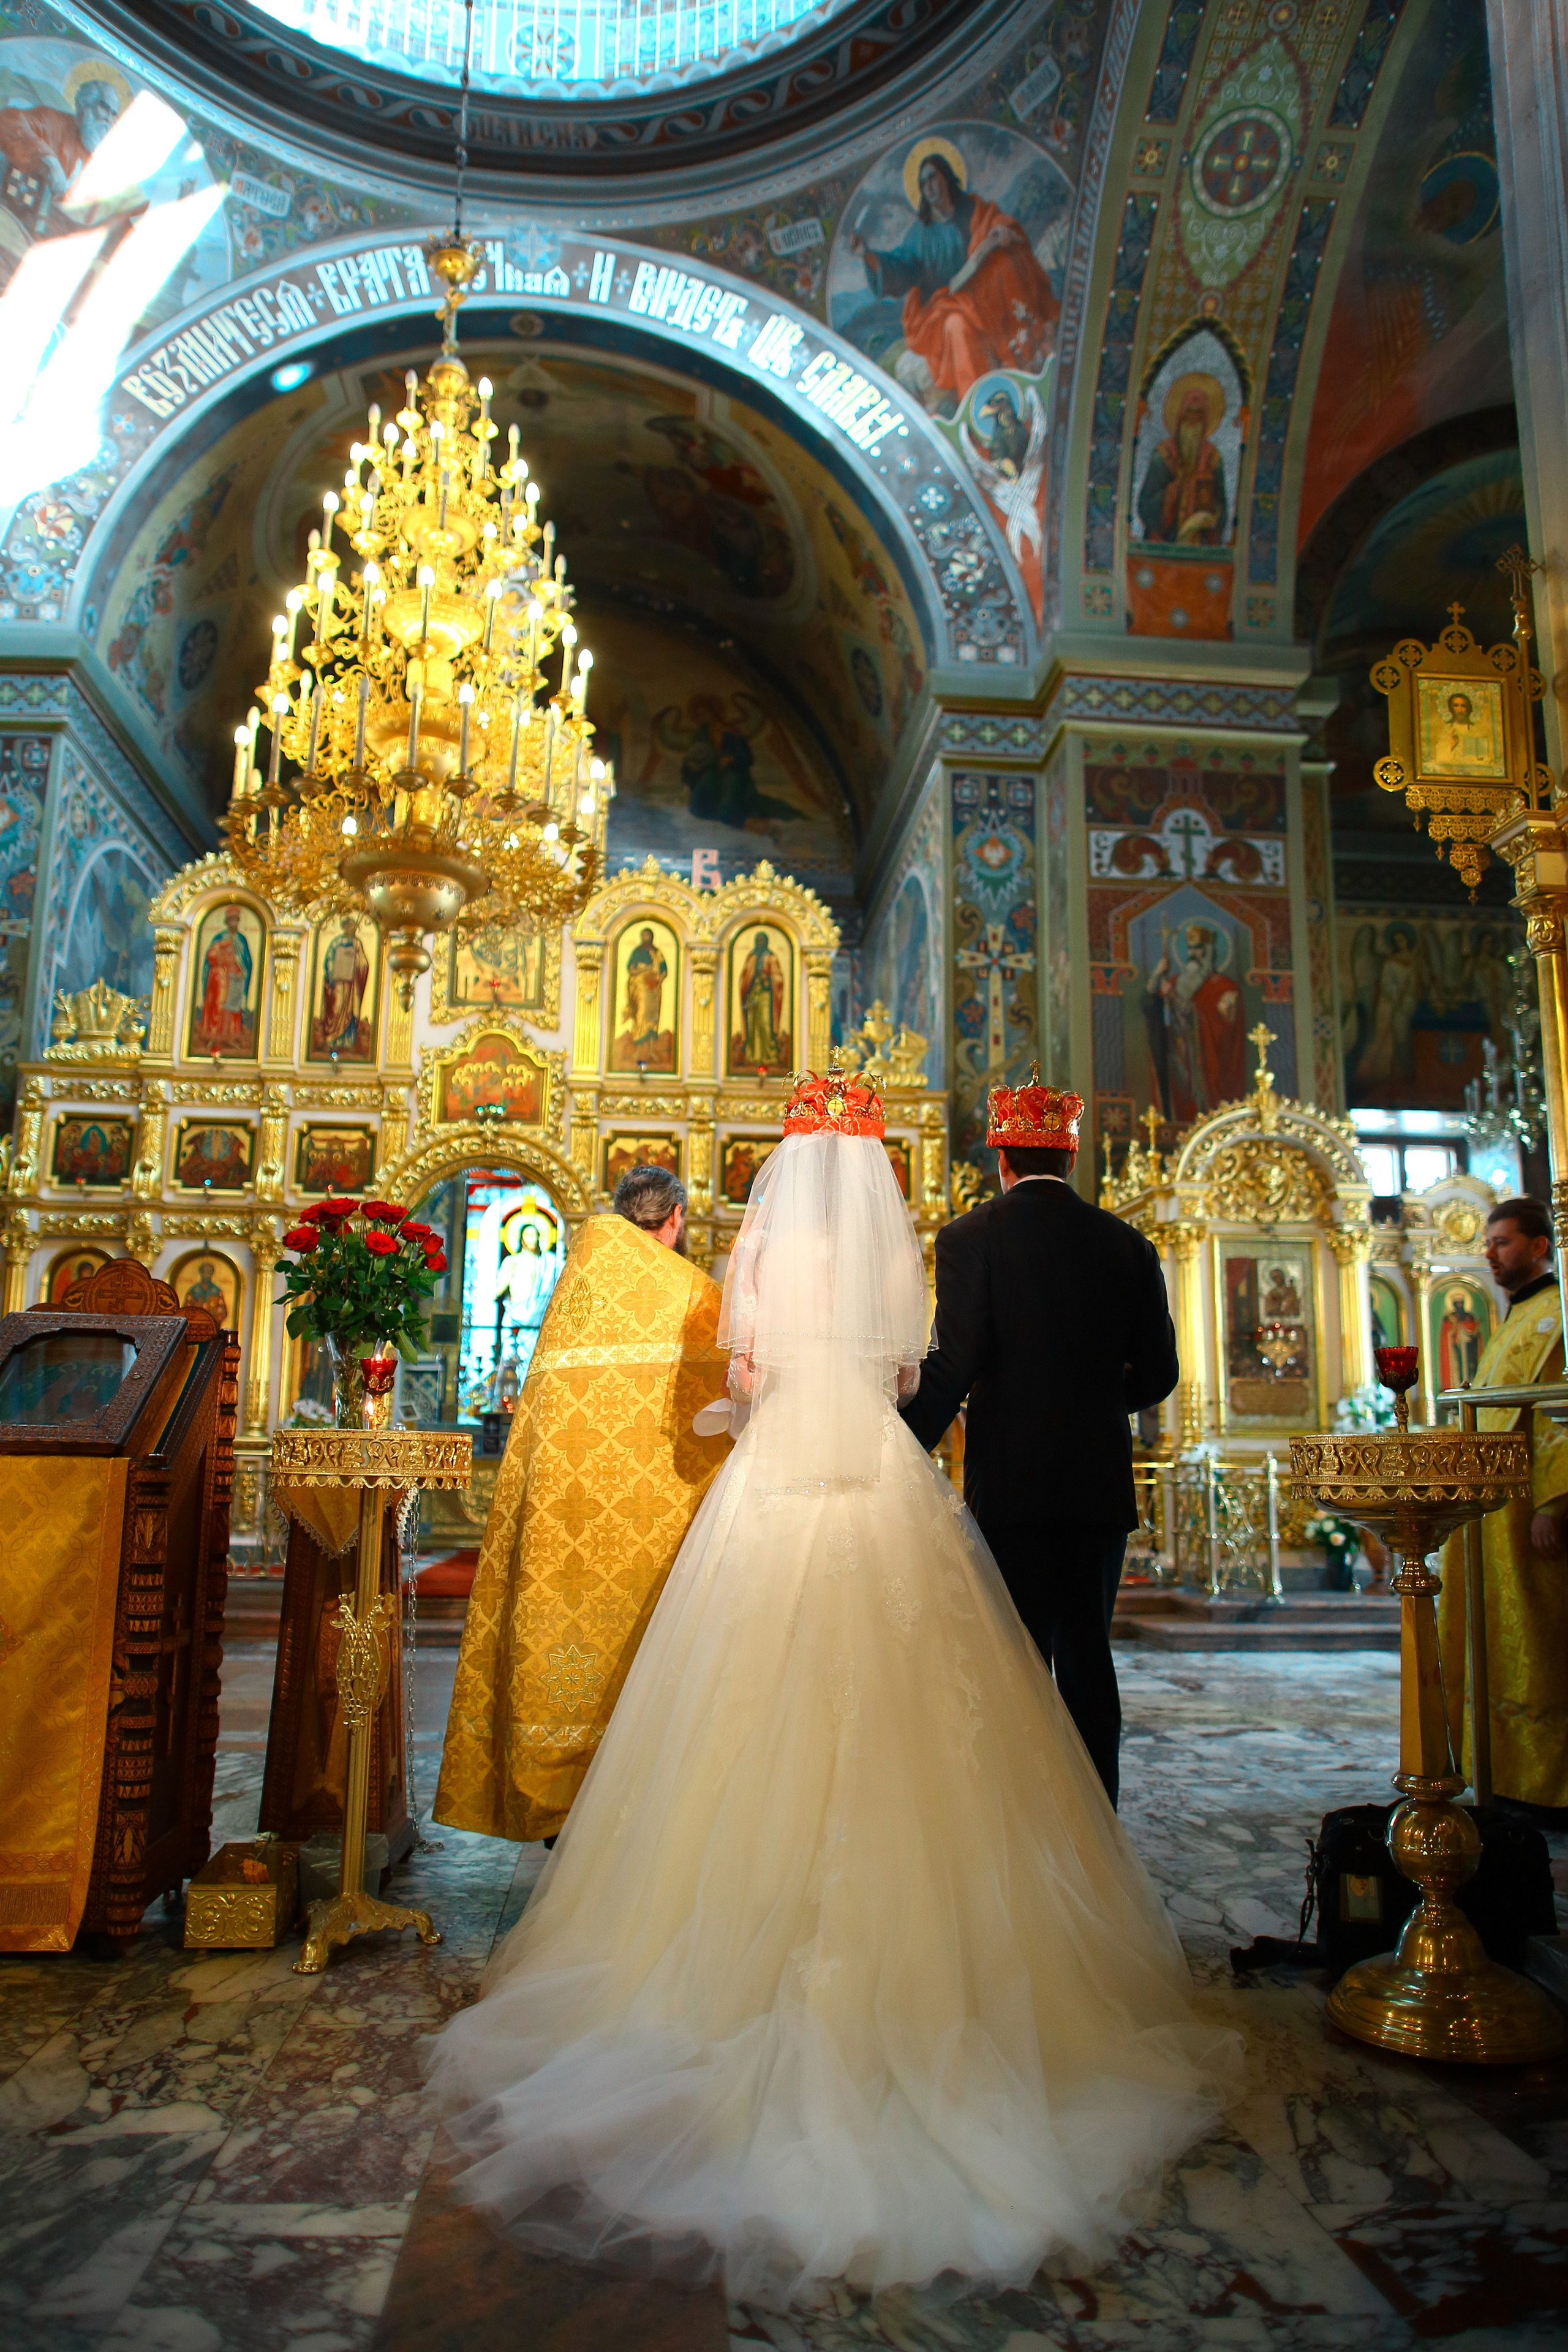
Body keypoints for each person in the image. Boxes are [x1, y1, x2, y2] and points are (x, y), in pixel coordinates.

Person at [429, 1067, 1237, 2305]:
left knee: (739, 1699)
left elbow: (748, 1383)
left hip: (776, 1496)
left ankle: (716, 1951)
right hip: (879, 1482)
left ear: (781, 1172)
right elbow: (917, 1382)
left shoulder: (760, 1258)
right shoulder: (918, 1251)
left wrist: (745, 1411)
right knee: (988, 1694)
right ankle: (1023, 1908)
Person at [900, 1068, 1179, 1804]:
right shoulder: (1127, 1245)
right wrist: (1089, 1404)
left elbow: (953, 1362)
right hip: (1096, 1487)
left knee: (1013, 1657)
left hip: (1012, 1486)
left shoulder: (969, 1237)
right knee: (1089, 1653)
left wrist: (900, 1441)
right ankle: (1098, 1830)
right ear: (1070, 1159)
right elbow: (1159, 1373)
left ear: (1002, 1159)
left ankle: (1021, 1827)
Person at [434, 1167, 731, 1844]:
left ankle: (556, 1800)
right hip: (661, 1528)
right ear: (676, 1221)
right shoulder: (696, 1296)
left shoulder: (575, 1291)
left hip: (567, 1525)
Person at [1438, 1197, 1568, 1812]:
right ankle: (1505, 1772)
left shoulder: (1556, 1315)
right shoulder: (1518, 1315)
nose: (1489, 1253)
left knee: (1540, 1644)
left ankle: (1548, 1783)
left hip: (1528, 1513)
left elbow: (1557, 1415)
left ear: (1540, 1245)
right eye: (1488, 1243)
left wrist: (1554, 1501)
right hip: (1490, 1512)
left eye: (1503, 1242)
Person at [849, 148, 1059, 412]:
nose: (929, 186)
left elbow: (998, 226)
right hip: (944, 310)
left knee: (1006, 264)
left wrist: (1001, 235)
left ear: (947, 177)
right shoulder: (921, 236)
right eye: (923, 183)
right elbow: (900, 267)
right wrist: (867, 255)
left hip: (986, 298)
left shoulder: (973, 210)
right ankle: (984, 408)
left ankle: (1028, 357)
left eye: (933, 177)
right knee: (956, 325)